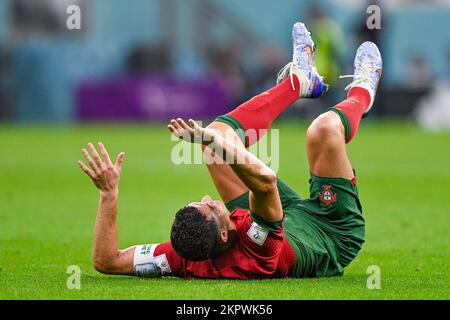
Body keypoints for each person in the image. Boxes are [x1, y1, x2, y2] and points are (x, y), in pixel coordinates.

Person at [78, 22, 382, 279]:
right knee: (324, 129)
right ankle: (363, 92)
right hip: (332, 232)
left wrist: (108, 194)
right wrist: (213, 143)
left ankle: (299, 81)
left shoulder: (186, 253)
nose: (210, 198)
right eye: (210, 207)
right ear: (224, 235)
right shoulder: (258, 248)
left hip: (281, 218)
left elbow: (107, 261)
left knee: (216, 139)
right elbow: (265, 181)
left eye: (201, 202)